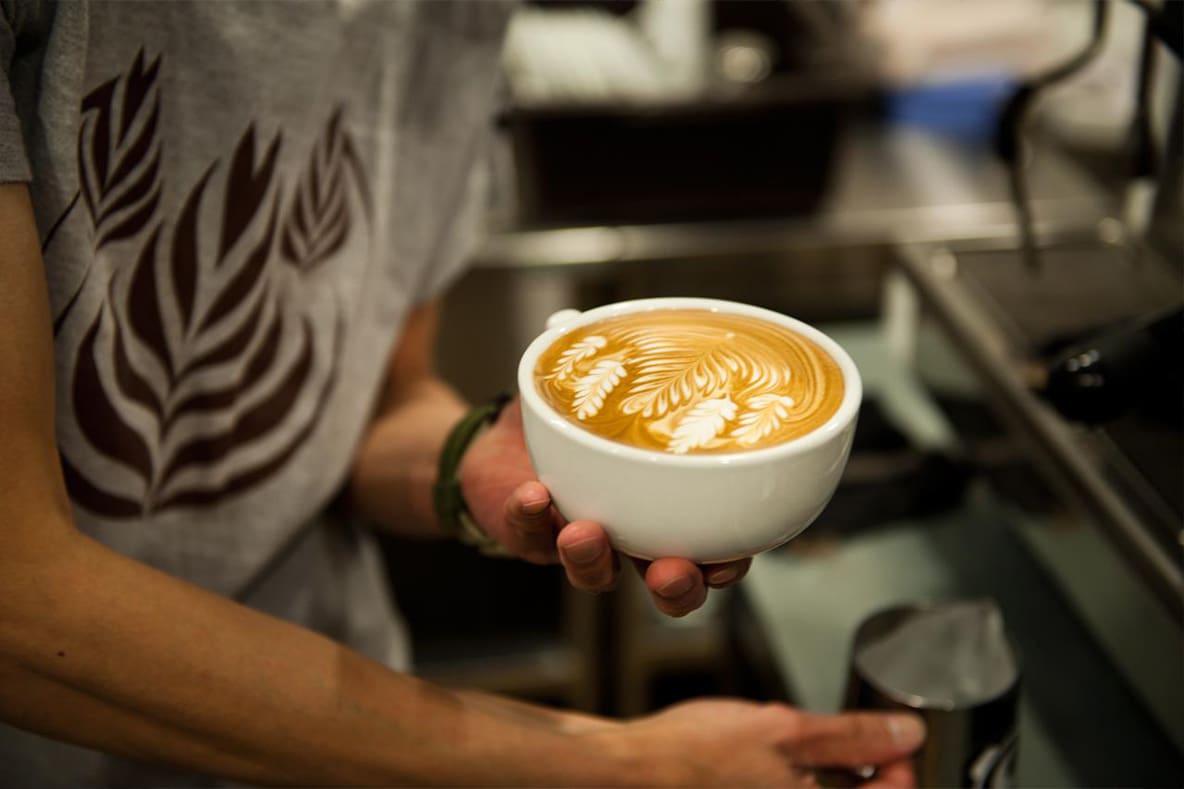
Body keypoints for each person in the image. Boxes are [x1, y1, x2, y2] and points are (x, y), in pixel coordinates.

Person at [0, 1, 924, 785]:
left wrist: (471, 463)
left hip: (346, 694)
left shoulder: (452, 22)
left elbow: (371, 403)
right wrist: (618, 763)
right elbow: (19, 593)